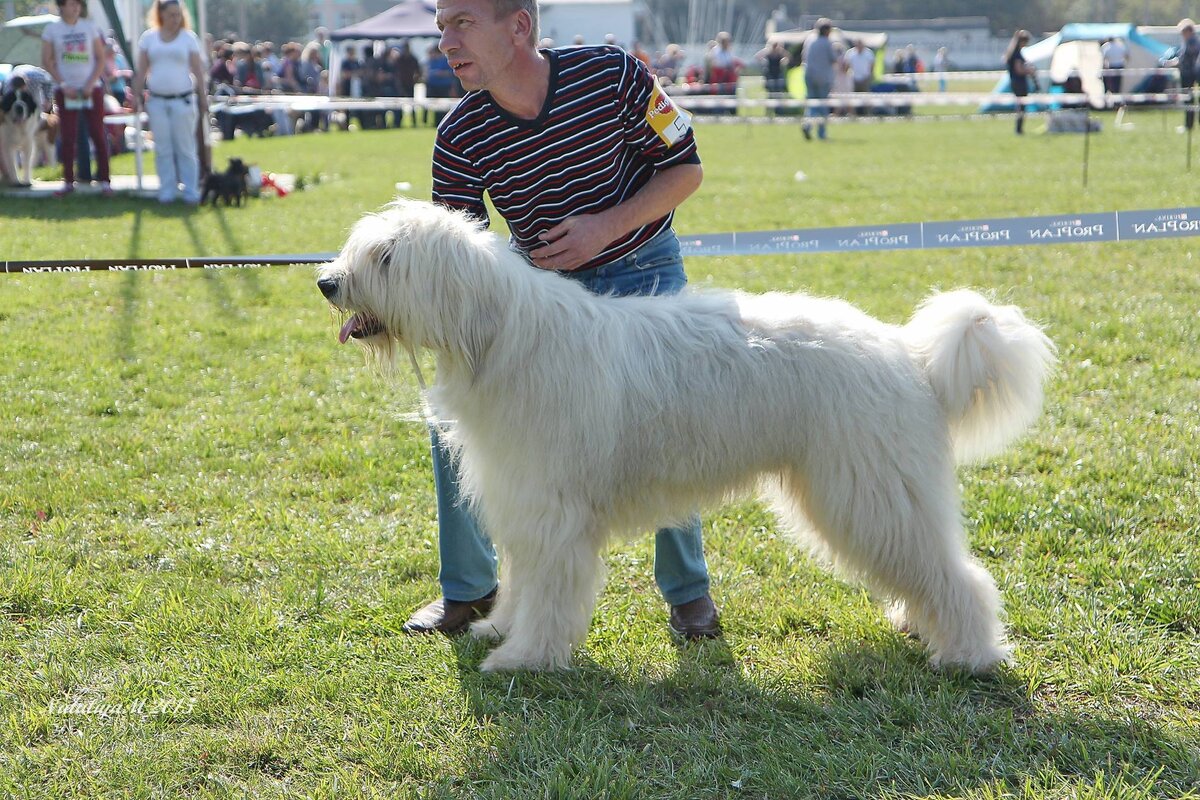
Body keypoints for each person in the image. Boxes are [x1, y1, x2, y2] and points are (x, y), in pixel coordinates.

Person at [406, 0, 719, 640]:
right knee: (454, 418)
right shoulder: (459, 136)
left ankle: (689, 595)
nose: (446, 41)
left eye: (462, 22)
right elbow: (453, 259)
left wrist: (603, 226)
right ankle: (468, 591)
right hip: (543, 301)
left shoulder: (616, 75)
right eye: (441, 26)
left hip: (643, 272)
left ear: (518, 25)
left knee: (669, 419)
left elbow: (686, 169)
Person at [131, 0, 207, 205]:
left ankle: (191, 190)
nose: (176, 19)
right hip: (157, 100)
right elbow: (142, 70)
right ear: (161, 15)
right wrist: (136, 96)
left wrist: (203, 97)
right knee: (163, 147)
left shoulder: (188, 38)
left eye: (178, 14)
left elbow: (198, 71)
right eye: (171, 14)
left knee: (185, 146)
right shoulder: (149, 38)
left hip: (182, 99)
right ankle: (167, 189)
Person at [41, 0, 112, 197]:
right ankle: (68, 181)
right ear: (61, 6)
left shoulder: (90, 27)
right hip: (66, 89)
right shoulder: (52, 30)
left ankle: (105, 180)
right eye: (71, 4)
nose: (75, 8)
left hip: (91, 88)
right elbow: (47, 60)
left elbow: (100, 58)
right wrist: (64, 85)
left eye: (78, 5)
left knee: (98, 133)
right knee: (68, 134)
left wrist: (90, 83)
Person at [801, 18, 837, 140]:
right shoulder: (827, 43)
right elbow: (833, 59)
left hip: (808, 74)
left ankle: (807, 124)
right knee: (822, 105)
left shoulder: (809, 40)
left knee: (811, 103)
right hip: (822, 77)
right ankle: (821, 133)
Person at [1162, 19, 1200, 131]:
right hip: (1194, 74)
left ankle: (1188, 125)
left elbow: (1183, 60)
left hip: (1189, 75)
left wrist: (1170, 63)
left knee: (1188, 99)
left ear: (1188, 31)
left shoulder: (1191, 42)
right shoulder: (1195, 41)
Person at [1005, 29, 1036, 135]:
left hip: (1015, 82)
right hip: (1019, 83)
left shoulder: (1013, 52)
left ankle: (1019, 129)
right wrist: (1029, 71)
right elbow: (1019, 69)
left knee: (1020, 106)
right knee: (1021, 106)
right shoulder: (1017, 54)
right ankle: (1019, 129)